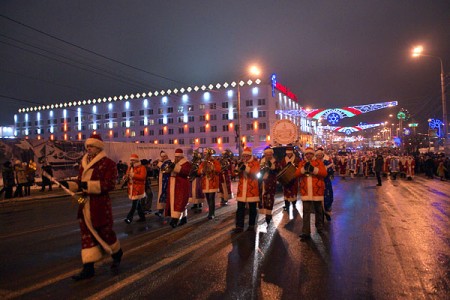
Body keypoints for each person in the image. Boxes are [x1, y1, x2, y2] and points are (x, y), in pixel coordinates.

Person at [70, 133, 122, 281]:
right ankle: (88, 268)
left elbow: (109, 184)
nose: (89, 149)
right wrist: (74, 187)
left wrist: (87, 186)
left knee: (105, 231)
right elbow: (80, 182)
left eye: (91, 146)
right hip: (85, 203)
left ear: (98, 147)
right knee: (86, 235)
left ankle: (117, 253)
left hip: (100, 204)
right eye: (87, 146)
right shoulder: (84, 162)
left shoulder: (109, 164)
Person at [295, 147, 327, 240]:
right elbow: (296, 174)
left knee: (318, 210)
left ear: (313, 155)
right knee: (306, 212)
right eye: (307, 154)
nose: (308, 155)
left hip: (317, 190)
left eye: (310, 154)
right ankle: (306, 232)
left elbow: (324, 173)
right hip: (306, 191)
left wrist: (314, 169)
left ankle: (319, 227)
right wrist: (303, 170)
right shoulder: (302, 163)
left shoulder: (319, 162)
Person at [233, 147, 260, 233]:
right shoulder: (241, 163)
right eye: (243, 156)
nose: (245, 158)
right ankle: (239, 226)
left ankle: (251, 225)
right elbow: (235, 173)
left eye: (246, 156)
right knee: (240, 208)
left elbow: (255, 172)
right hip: (242, 190)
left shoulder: (255, 163)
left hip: (251, 190)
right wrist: (238, 167)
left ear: (250, 156)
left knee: (252, 208)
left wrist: (246, 168)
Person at [166, 148, 192, 228]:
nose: (176, 158)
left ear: (181, 157)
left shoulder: (186, 163)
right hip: (174, 185)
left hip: (181, 185)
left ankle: (175, 220)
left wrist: (175, 167)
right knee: (178, 202)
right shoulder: (175, 163)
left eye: (178, 157)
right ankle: (184, 218)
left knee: (180, 202)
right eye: (175, 157)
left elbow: (186, 172)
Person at [258, 147, 279, 225]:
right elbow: (258, 169)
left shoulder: (275, 161)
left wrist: (272, 167)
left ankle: (268, 213)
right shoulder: (261, 161)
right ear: (265, 154)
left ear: (272, 154)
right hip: (262, 182)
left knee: (270, 197)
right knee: (262, 197)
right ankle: (263, 210)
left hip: (271, 182)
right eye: (267, 154)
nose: (268, 156)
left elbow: (278, 169)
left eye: (270, 154)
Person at [198, 148, 221, 220]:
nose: (206, 156)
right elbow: (199, 172)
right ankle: (210, 212)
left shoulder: (215, 162)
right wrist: (202, 170)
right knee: (208, 198)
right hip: (205, 183)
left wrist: (212, 167)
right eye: (205, 154)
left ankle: (212, 213)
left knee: (211, 198)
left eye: (207, 154)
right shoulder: (203, 163)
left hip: (212, 182)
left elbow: (218, 170)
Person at [124, 154, 147, 224]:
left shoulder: (142, 167)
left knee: (134, 204)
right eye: (131, 160)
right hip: (132, 188)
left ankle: (129, 218)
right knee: (138, 204)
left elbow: (143, 177)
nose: (131, 161)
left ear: (136, 160)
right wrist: (125, 177)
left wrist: (133, 175)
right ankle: (142, 217)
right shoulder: (130, 167)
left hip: (138, 188)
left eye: (133, 160)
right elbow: (127, 174)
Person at [315, 148, 335, 221]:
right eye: (318, 155)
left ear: (322, 155)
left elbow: (331, 171)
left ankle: (327, 213)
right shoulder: (314, 163)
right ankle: (320, 216)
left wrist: (327, 170)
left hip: (326, 182)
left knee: (328, 198)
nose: (319, 156)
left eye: (320, 155)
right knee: (318, 200)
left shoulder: (326, 162)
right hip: (317, 183)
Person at [279, 146, 300, 212]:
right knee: (286, 192)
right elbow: (281, 167)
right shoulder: (283, 160)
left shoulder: (297, 159)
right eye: (287, 153)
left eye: (290, 153)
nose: (289, 154)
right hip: (286, 178)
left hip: (294, 178)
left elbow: (299, 166)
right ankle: (287, 205)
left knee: (294, 191)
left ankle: (294, 204)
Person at [155, 151, 172, 217]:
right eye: (161, 157)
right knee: (162, 197)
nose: (162, 158)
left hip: (166, 182)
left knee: (165, 197)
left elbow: (164, 168)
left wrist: (159, 163)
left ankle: (165, 211)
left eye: (163, 156)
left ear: (166, 156)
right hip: (162, 182)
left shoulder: (168, 163)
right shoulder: (164, 162)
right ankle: (161, 211)